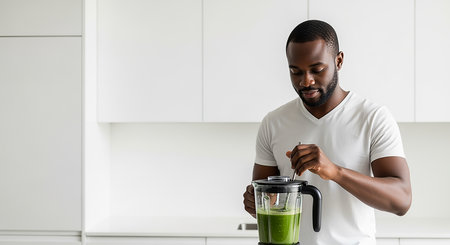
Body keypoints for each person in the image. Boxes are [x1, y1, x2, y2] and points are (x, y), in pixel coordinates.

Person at [242, 20, 412, 245]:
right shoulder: (273, 122)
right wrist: (255, 203)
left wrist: (335, 172)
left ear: (339, 61)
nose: (306, 81)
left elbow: (401, 200)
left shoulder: (373, 117)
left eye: (317, 69)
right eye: (295, 71)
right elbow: (265, 203)